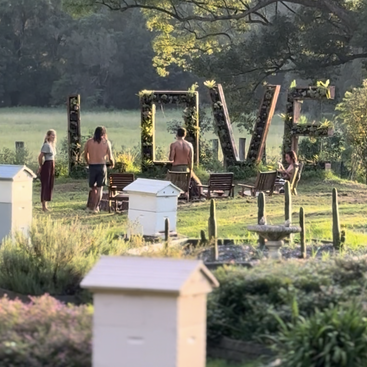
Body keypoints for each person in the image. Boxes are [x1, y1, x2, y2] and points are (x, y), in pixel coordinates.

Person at [84, 126, 114, 213]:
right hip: (101, 166)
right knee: (100, 188)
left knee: (93, 188)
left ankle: (91, 205)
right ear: (104, 134)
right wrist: (112, 163)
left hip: (92, 166)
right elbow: (110, 157)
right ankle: (96, 207)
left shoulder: (89, 142)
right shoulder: (106, 143)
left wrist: (88, 162)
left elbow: (85, 154)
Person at [168, 127, 201, 198]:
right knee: (187, 183)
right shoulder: (189, 145)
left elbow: (171, 159)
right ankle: (187, 194)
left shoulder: (174, 145)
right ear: (185, 135)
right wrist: (190, 170)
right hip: (186, 169)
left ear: (177, 134)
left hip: (176, 169)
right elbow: (191, 160)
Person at [38, 129, 56, 212]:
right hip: (47, 164)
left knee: (50, 184)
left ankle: (46, 204)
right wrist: (41, 166)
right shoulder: (46, 145)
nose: (53, 136)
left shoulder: (52, 145)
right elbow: (40, 156)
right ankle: (43, 205)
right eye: (52, 135)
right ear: (48, 136)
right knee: (45, 184)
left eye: (54, 135)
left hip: (51, 164)